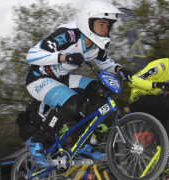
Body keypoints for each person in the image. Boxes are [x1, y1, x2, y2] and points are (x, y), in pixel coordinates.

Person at [25, 0, 132, 167]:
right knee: (73, 102)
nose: (105, 28)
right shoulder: (69, 35)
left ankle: (83, 143)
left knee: (99, 91)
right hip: (39, 78)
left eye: (108, 25)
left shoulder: (97, 44)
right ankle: (36, 142)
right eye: (101, 23)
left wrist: (119, 69)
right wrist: (64, 57)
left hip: (63, 78)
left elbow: (104, 61)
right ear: (88, 22)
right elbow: (32, 55)